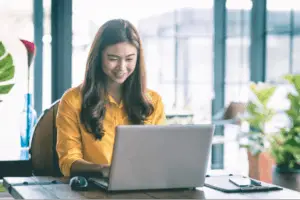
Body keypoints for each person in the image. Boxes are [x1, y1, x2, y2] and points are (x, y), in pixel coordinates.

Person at [56, 19, 166, 177]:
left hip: (142, 186)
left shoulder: (153, 101)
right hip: (94, 189)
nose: (121, 67)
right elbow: (68, 162)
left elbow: (159, 156)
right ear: (98, 57)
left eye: (129, 59)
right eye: (113, 58)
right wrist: (104, 170)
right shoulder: (73, 100)